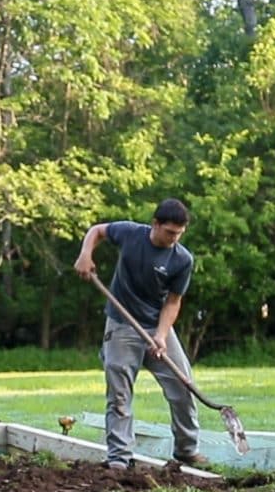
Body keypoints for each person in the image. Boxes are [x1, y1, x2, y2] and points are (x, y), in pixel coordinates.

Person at [73, 198, 206, 471]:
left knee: (183, 386)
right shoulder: (131, 234)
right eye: (169, 232)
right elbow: (97, 230)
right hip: (121, 325)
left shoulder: (182, 259)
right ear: (155, 224)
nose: (174, 238)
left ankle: (187, 450)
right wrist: (85, 254)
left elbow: (173, 301)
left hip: (156, 326)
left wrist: (160, 335)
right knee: (119, 394)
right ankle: (119, 458)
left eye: (179, 234)